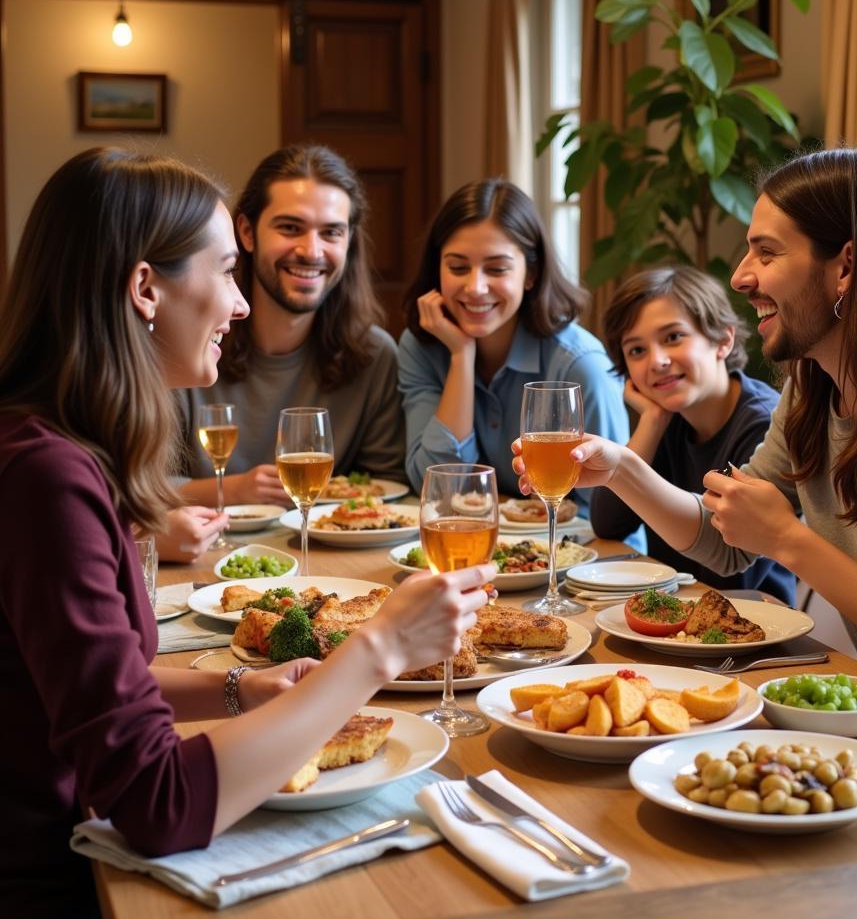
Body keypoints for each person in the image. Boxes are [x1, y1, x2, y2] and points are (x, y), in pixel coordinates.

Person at [0, 148, 494, 919]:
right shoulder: (45, 479)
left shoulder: (53, 448)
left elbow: (93, 687)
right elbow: (156, 806)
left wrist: (241, 688)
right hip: (56, 893)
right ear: (145, 289)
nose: (236, 303)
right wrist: (376, 651)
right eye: (226, 271)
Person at [514, 148, 857, 737]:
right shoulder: (812, 387)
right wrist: (623, 467)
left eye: (767, 251)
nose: (740, 276)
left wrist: (789, 539)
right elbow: (725, 541)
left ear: (847, 267)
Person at [177, 144, 405, 509]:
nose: (311, 251)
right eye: (290, 228)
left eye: (331, 232)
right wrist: (230, 492)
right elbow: (136, 488)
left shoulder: (374, 356)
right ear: (247, 233)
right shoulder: (188, 347)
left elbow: (387, 487)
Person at [398, 178, 628, 510]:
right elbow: (437, 491)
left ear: (530, 274)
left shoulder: (581, 365)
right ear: (438, 270)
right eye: (458, 267)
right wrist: (462, 356)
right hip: (485, 547)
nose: (475, 287)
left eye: (497, 268)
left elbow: (614, 513)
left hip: (586, 555)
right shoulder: (421, 347)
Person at [589, 266, 794, 604]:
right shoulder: (669, 417)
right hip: (674, 614)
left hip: (751, 625)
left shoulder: (764, 424)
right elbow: (607, 525)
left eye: (673, 337)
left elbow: (729, 572)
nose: (657, 361)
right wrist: (652, 421)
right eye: (637, 350)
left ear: (723, 340)